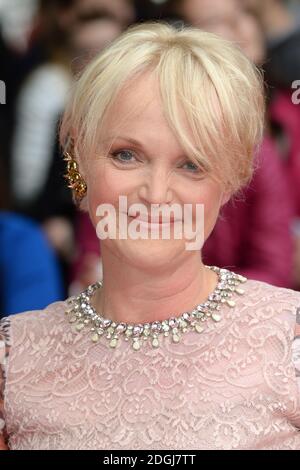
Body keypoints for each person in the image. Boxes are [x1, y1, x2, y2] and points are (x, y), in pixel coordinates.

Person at [0, 22, 300, 450]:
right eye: (127, 155)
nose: (156, 195)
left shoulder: (291, 340)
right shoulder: (12, 358)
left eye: (191, 164)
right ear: (79, 160)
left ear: (230, 181)